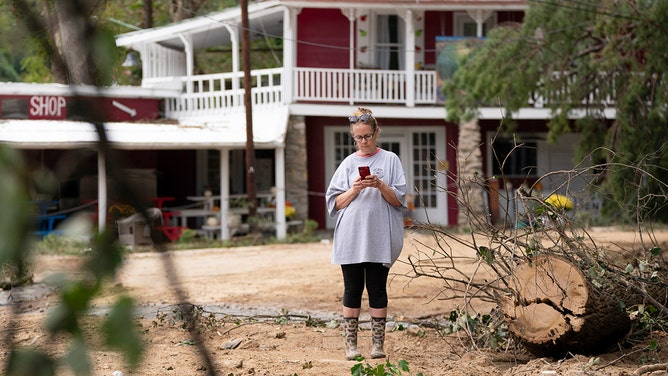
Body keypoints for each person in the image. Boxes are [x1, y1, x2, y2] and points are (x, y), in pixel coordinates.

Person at [325, 107, 407, 360]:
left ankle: (377, 346)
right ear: (354, 137)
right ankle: (351, 346)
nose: (364, 141)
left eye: (368, 136)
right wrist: (355, 189)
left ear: (376, 132)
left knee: (377, 288)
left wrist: (381, 184)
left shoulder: (390, 160)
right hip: (351, 237)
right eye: (359, 137)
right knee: (351, 289)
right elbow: (335, 203)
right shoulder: (348, 163)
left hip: (379, 236)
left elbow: (399, 200)